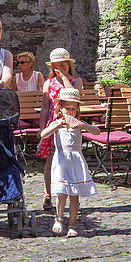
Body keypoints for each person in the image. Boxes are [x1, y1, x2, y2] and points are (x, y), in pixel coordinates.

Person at [40, 86, 98, 237]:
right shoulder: (57, 122)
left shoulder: (79, 123)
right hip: (61, 160)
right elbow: (43, 134)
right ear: (61, 108)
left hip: (75, 160)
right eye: (67, 108)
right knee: (61, 193)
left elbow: (97, 131)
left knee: (74, 195)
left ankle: (72, 224)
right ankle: (58, 219)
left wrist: (84, 125)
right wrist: (57, 125)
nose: (70, 111)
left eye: (74, 108)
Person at [36, 47, 84, 211]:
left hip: (69, 124)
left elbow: (73, 96)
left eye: (63, 66)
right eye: (56, 67)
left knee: (69, 159)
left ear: (68, 65)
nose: (59, 70)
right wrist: (42, 128)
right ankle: (47, 194)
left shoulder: (76, 80)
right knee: (51, 159)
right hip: (53, 123)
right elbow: (44, 107)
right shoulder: (49, 83)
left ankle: (72, 197)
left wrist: (64, 77)